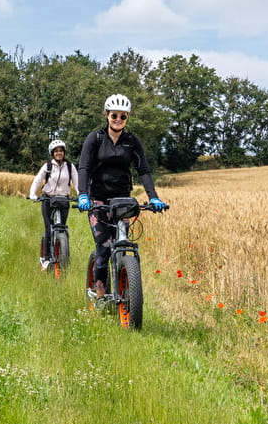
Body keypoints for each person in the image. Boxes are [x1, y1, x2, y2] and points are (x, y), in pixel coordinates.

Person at [77, 94, 168, 298]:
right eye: (114, 115)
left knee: (123, 242)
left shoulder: (132, 141)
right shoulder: (95, 138)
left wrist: (153, 197)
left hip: (123, 201)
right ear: (107, 115)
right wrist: (83, 195)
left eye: (123, 116)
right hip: (97, 199)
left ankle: (127, 290)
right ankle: (100, 295)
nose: (118, 119)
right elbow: (83, 168)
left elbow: (143, 170)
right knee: (104, 248)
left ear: (127, 118)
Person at [27, 138, 78, 271]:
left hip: (64, 200)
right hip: (48, 199)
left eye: (61, 151)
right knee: (49, 228)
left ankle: (63, 254)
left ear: (64, 152)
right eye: (56, 151)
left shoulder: (70, 166)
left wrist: (81, 195)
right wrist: (33, 193)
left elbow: (77, 184)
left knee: (62, 228)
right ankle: (47, 258)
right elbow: (37, 181)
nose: (59, 153)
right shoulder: (48, 166)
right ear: (52, 153)